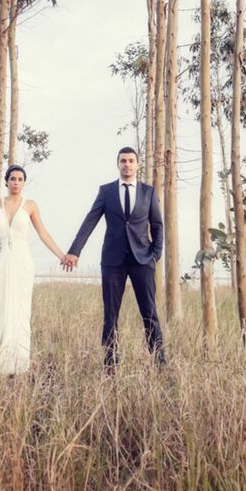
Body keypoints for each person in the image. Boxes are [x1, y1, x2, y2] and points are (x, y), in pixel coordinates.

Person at [62, 147, 166, 372]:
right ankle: (111, 362)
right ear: (117, 164)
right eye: (123, 161)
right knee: (110, 314)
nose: (127, 164)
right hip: (112, 261)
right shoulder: (106, 191)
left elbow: (157, 225)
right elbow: (90, 221)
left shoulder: (148, 192)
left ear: (137, 165)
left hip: (142, 260)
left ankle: (159, 361)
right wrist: (74, 251)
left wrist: (156, 254)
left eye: (131, 161)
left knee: (149, 312)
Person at [0, 165, 66, 375]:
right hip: (0, 259)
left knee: (18, 308)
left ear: (24, 182)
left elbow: (43, 233)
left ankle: (16, 361)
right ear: (6, 182)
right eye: (12, 179)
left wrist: (61, 255)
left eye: (20, 179)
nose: (16, 182)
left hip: (22, 261)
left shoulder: (30, 205)